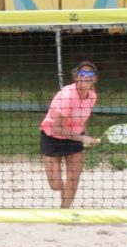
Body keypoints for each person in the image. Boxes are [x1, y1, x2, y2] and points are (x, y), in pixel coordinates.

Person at [39, 61, 100, 208]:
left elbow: (80, 120)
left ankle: (63, 213)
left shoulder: (92, 96)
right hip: (53, 136)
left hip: (74, 137)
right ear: (76, 77)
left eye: (90, 74)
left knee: (73, 178)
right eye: (82, 74)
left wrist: (87, 137)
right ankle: (62, 192)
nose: (86, 76)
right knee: (56, 185)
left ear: (95, 78)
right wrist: (82, 138)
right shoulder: (66, 96)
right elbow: (57, 128)